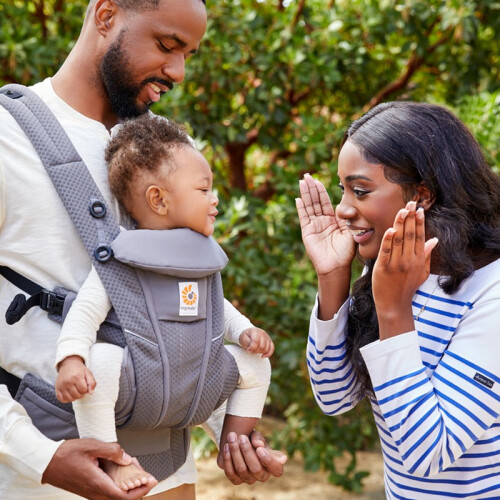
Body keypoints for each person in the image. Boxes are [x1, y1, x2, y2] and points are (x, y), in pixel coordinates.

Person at [0, 1, 286, 499]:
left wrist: (230, 429)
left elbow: (179, 318)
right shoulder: (8, 140)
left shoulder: (169, 150)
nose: (178, 71)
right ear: (106, 15)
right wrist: (41, 458)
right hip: (44, 479)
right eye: (167, 45)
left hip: (169, 472)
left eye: (188, 54)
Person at [54, 116, 274, 491]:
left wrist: (245, 331)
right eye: (203, 189)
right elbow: (85, 312)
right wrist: (71, 359)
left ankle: (234, 445)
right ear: (158, 199)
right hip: (137, 384)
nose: (215, 199)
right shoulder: (123, 259)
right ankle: (111, 458)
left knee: (256, 362)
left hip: (194, 381)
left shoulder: (201, 258)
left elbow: (216, 307)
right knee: (99, 361)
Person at [296, 101, 500, 499]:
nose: (343, 210)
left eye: (360, 191)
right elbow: (334, 396)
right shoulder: (391, 270)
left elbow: (428, 453)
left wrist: (394, 311)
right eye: (342, 191)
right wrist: (333, 277)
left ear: (422, 195)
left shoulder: (490, 291)